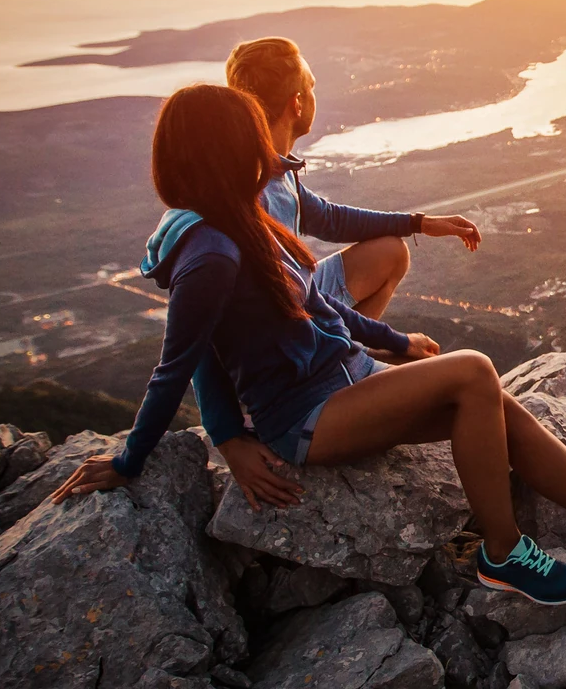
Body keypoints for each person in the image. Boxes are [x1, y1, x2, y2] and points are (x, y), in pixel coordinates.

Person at [50, 85, 566, 604]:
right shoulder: (207, 254)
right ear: (225, 154)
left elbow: (316, 304)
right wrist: (145, 458)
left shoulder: (241, 218)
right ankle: (502, 555)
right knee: (475, 371)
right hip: (303, 419)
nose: (270, 155)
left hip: (346, 379)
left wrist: (392, 341)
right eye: (254, 143)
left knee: (494, 405)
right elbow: (182, 365)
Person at [203, 36, 474, 514]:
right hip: (271, 332)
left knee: (391, 253)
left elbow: (327, 218)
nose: (315, 92)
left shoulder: (278, 168)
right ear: (298, 101)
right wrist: (226, 437)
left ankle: (346, 353)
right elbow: (203, 326)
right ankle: (341, 366)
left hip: (292, 298)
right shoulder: (243, 190)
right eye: (312, 84)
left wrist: (417, 224)